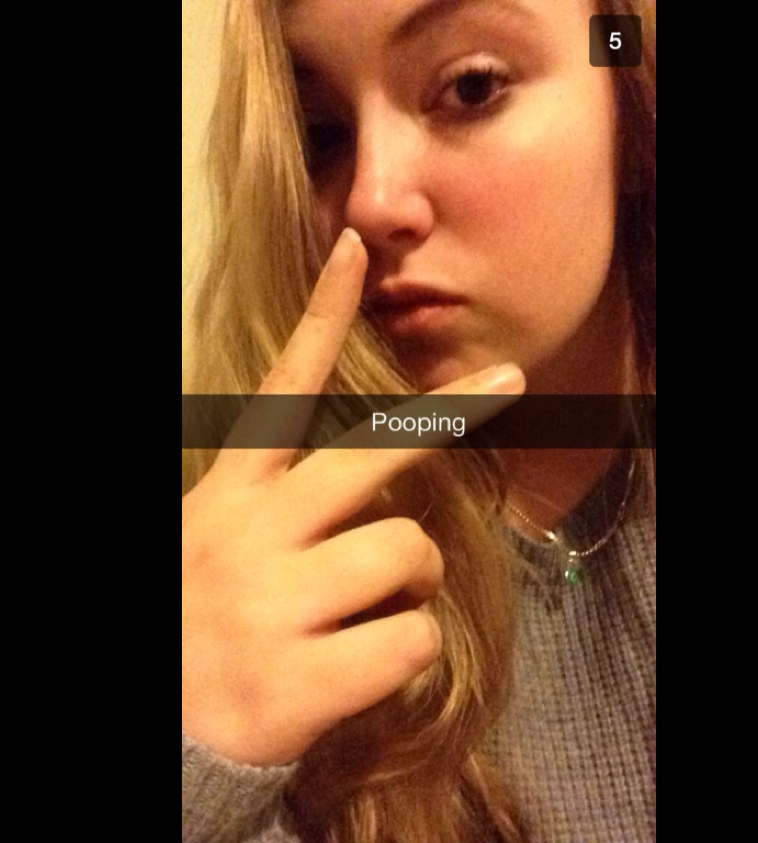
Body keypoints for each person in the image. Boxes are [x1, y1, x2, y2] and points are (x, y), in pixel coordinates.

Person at [182, 0, 656, 840]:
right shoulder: (247, 572)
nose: (369, 202)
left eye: (471, 87)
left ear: (629, 103)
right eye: (321, 132)